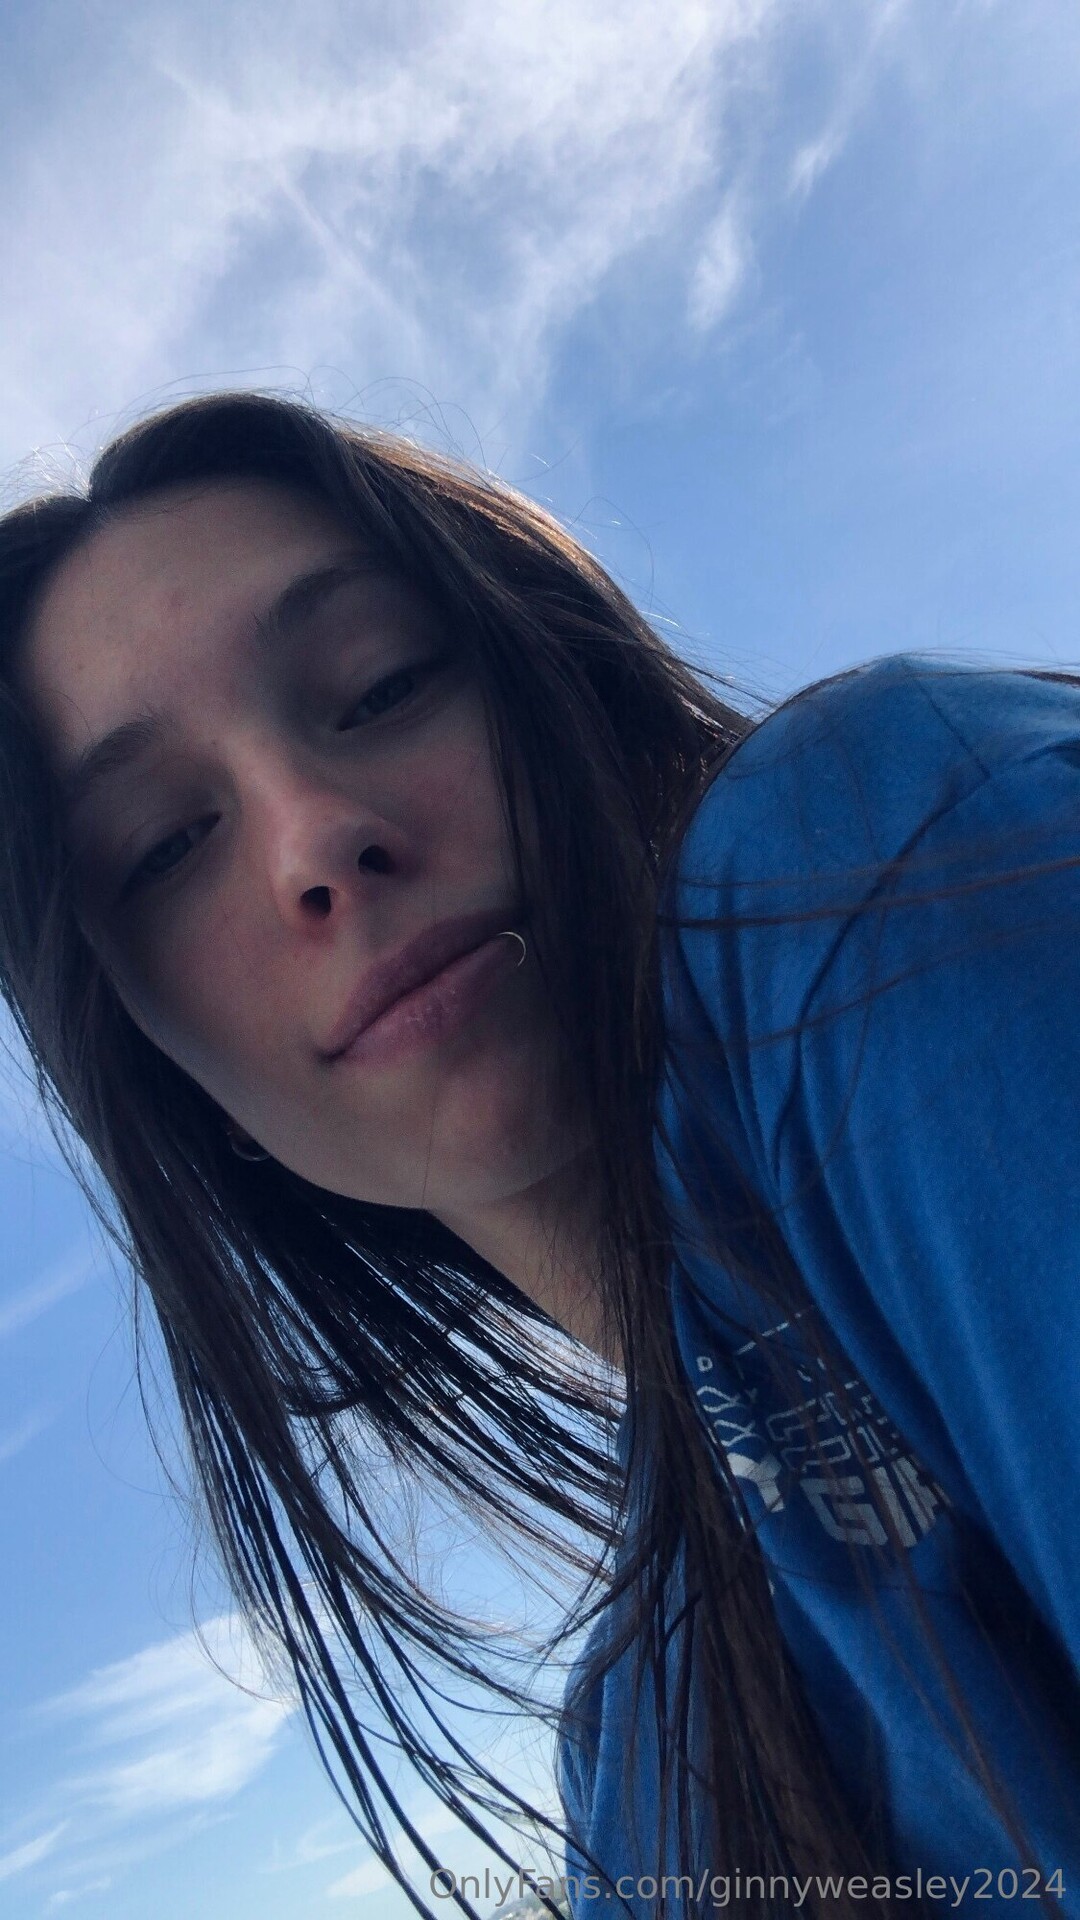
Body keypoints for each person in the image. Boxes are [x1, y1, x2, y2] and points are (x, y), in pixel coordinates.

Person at [1, 392, 1078, 1920]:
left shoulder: (866, 844)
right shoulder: (636, 1762)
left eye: (380, 684)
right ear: (180, 1088)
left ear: (568, 686)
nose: (315, 840)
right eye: (167, 844)